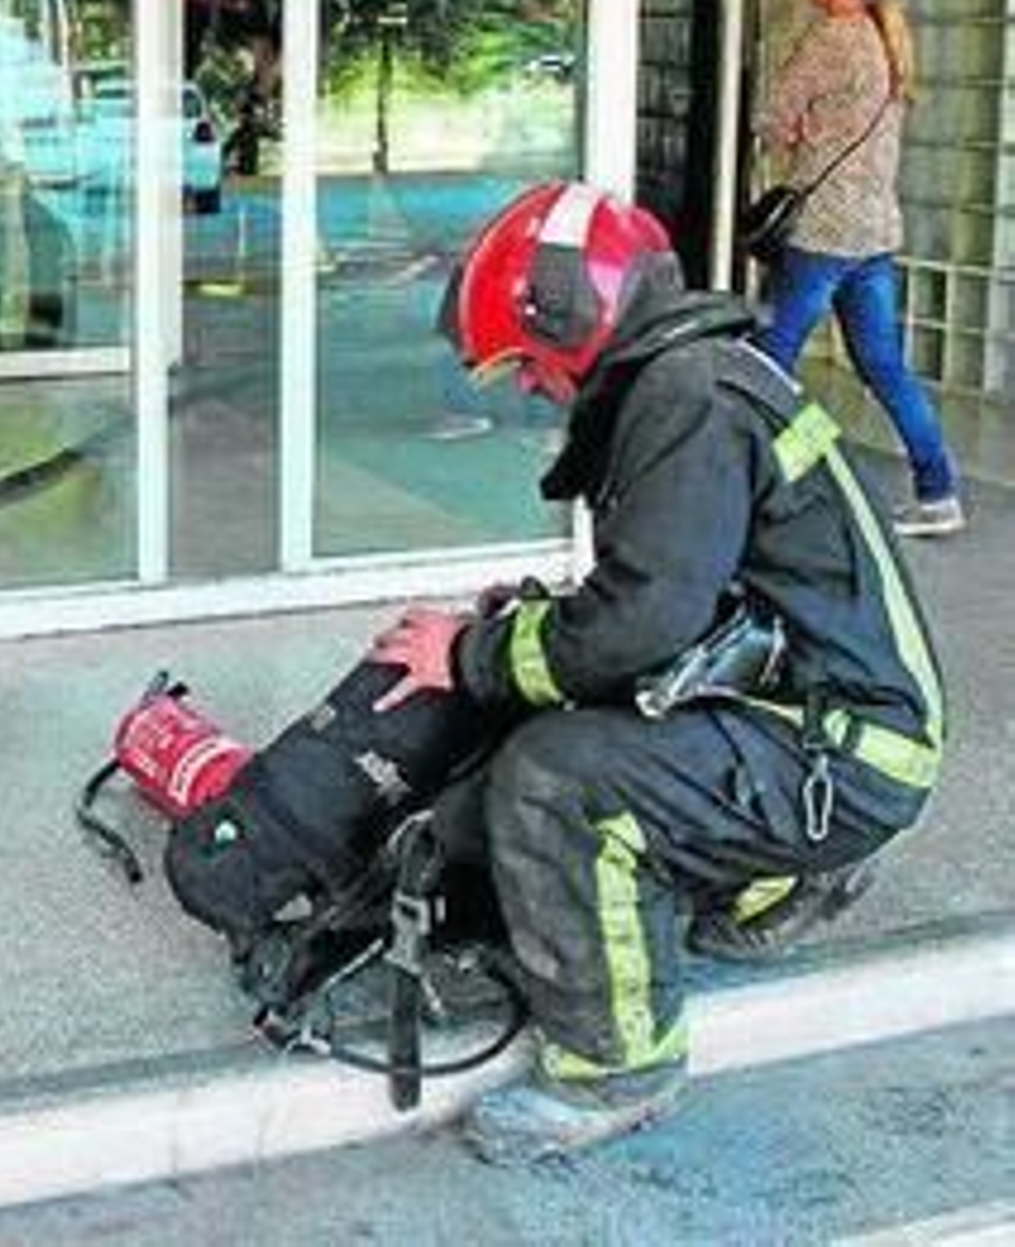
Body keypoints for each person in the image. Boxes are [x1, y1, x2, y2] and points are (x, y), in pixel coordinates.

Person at [367, 179, 945, 1163]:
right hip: (828, 727)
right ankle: (777, 876)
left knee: (555, 778)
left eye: (523, 361)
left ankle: (615, 1068)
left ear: (569, 315)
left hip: (834, 749)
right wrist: (522, 629)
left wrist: (469, 657)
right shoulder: (702, 378)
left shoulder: (685, 397)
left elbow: (641, 622)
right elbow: (674, 600)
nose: (524, 386)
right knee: (560, 712)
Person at [752, 0, 963, 537]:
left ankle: (773, 484)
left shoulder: (829, 39)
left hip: (823, 234)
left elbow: (771, 119)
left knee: (771, 361)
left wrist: (797, 133)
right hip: (875, 233)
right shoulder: (888, 37)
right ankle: (938, 492)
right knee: (882, 365)